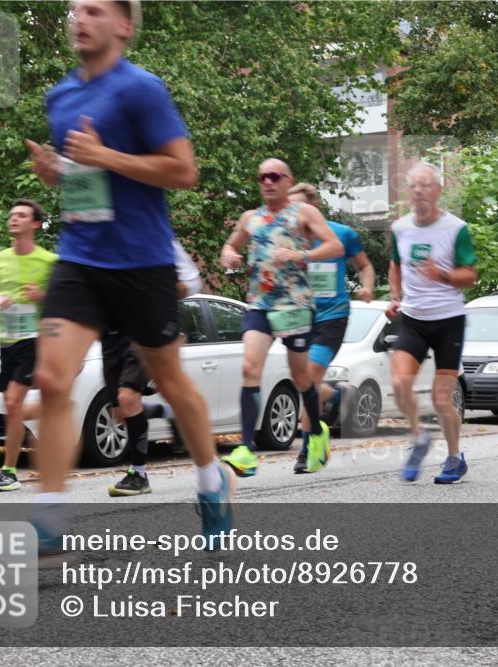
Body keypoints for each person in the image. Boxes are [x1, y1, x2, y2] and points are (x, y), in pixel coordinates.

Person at [25, 0, 230, 556]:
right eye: (73, 9)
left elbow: (184, 171)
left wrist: (105, 155)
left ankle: (212, 480)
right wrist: (57, 173)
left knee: (171, 381)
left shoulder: (142, 89)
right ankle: (48, 513)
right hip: (81, 258)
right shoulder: (60, 95)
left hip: (142, 261)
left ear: (123, 25)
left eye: (92, 9)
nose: (78, 18)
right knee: (51, 378)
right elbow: (86, 179)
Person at [219, 160, 343, 478]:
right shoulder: (250, 218)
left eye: (274, 176)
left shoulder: (304, 214)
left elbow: (334, 246)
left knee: (300, 377)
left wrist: (301, 255)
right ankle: (245, 450)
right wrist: (229, 255)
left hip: (295, 306)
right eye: (262, 176)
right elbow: (231, 245)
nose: (267, 182)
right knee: (250, 367)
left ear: (288, 181)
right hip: (259, 305)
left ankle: (316, 433)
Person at [388, 162, 478, 484]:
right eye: (413, 186)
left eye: (425, 185)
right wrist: (395, 296)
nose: (418, 191)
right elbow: (395, 264)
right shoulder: (400, 228)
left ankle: (455, 458)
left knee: (442, 398)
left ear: (438, 190)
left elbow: (471, 275)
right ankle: (420, 436)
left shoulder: (456, 229)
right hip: (413, 318)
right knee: (399, 383)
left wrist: (442, 274)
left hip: (448, 319)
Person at [286, 183, 375, 474]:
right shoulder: (285, 238)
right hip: (300, 316)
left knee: (309, 379)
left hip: (332, 316)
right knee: (305, 383)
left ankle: (307, 448)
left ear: (314, 208)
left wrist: (367, 287)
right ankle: (337, 396)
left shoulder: (342, 234)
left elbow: (365, 266)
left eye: (299, 208)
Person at [106, 240, 201, 496]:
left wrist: (158, 293)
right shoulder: (96, 240)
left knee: (127, 397)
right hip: (111, 336)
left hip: (143, 331)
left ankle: (139, 474)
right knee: (119, 410)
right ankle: (165, 411)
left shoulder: (154, 236)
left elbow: (191, 282)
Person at [0, 199, 58, 492]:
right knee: (13, 408)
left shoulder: (49, 261)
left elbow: (65, 302)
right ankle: (54, 408)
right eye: (11, 215)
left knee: (12, 402)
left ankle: (8, 471)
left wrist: (41, 296)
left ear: (35, 224)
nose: (13, 219)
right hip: (7, 340)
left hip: (35, 340)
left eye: (21, 215)